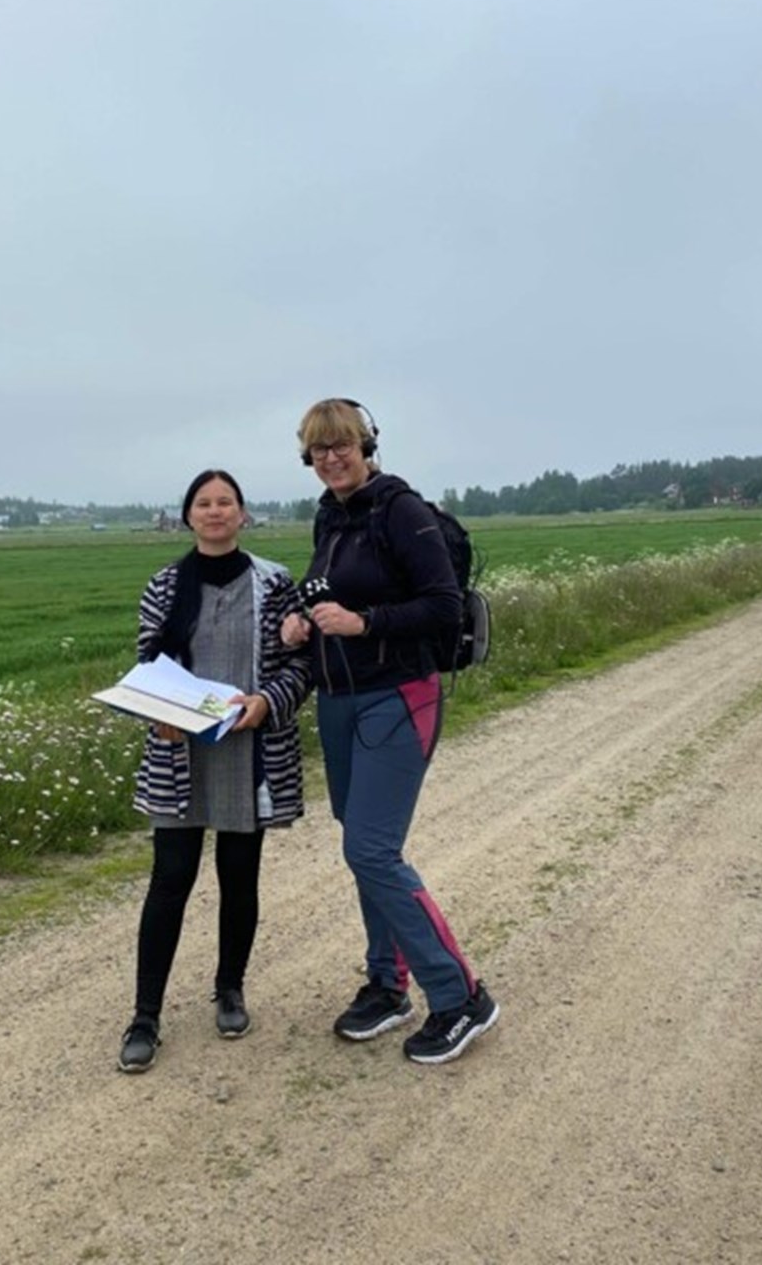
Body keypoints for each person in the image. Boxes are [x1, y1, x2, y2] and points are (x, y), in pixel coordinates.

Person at [280, 398, 499, 1065]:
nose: (331, 458)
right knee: (362, 845)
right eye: (319, 449)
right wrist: (301, 621)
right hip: (340, 700)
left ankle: (460, 996)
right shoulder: (332, 518)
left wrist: (365, 623)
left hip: (399, 696)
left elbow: (439, 606)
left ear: (367, 444)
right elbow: (326, 595)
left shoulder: (400, 510)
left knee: (372, 850)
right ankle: (387, 982)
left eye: (342, 444)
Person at [118, 468, 311, 1073]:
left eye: (226, 501)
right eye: (204, 503)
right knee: (169, 881)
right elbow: (147, 665)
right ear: (188, 516)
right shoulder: (164, 584)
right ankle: (145, 1014)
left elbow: (299, 667)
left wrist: (265, 703)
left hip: (247, 751)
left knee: (239, 877)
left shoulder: (276, 584)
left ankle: (230, 988)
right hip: (182, 755)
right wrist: (160, 715)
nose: (215, 511)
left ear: (243, 514)